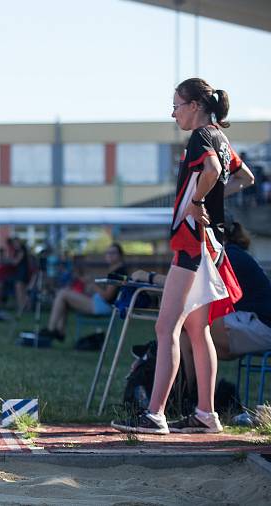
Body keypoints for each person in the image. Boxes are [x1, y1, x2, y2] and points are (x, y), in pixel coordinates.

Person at [112, 79, 254, 435]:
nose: (173, 112)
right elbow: (244, 177)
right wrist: (212, 198)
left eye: (176, 105)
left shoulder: (202, 136)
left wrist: (198, 202)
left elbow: (214, 172)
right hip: (212, 245)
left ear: (194, 105)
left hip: (192, 245)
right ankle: (206, 414)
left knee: (166, 327)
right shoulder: (221, 137)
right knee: (196, 329)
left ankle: (155, 413)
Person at [132, 219, 271, 422]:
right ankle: (187, 401)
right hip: (248, 325)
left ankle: (193, 401)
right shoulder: (228, 252)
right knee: (187, 332)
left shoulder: (229, 255)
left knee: (191, 323)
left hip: (263, 327)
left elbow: (189, 282)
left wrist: (149, 277)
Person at [39, 243, 127, 342]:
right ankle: (59, 331)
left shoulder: (118, 272)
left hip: (104, 306)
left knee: (63, 294)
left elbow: (107, 296)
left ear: (120, 255)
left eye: (113, 253)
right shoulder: (115, 270)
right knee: (65, 293)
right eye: (107, 253)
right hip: (99, 302)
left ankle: (51, 330)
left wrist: (92, 285)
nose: (109, 255)